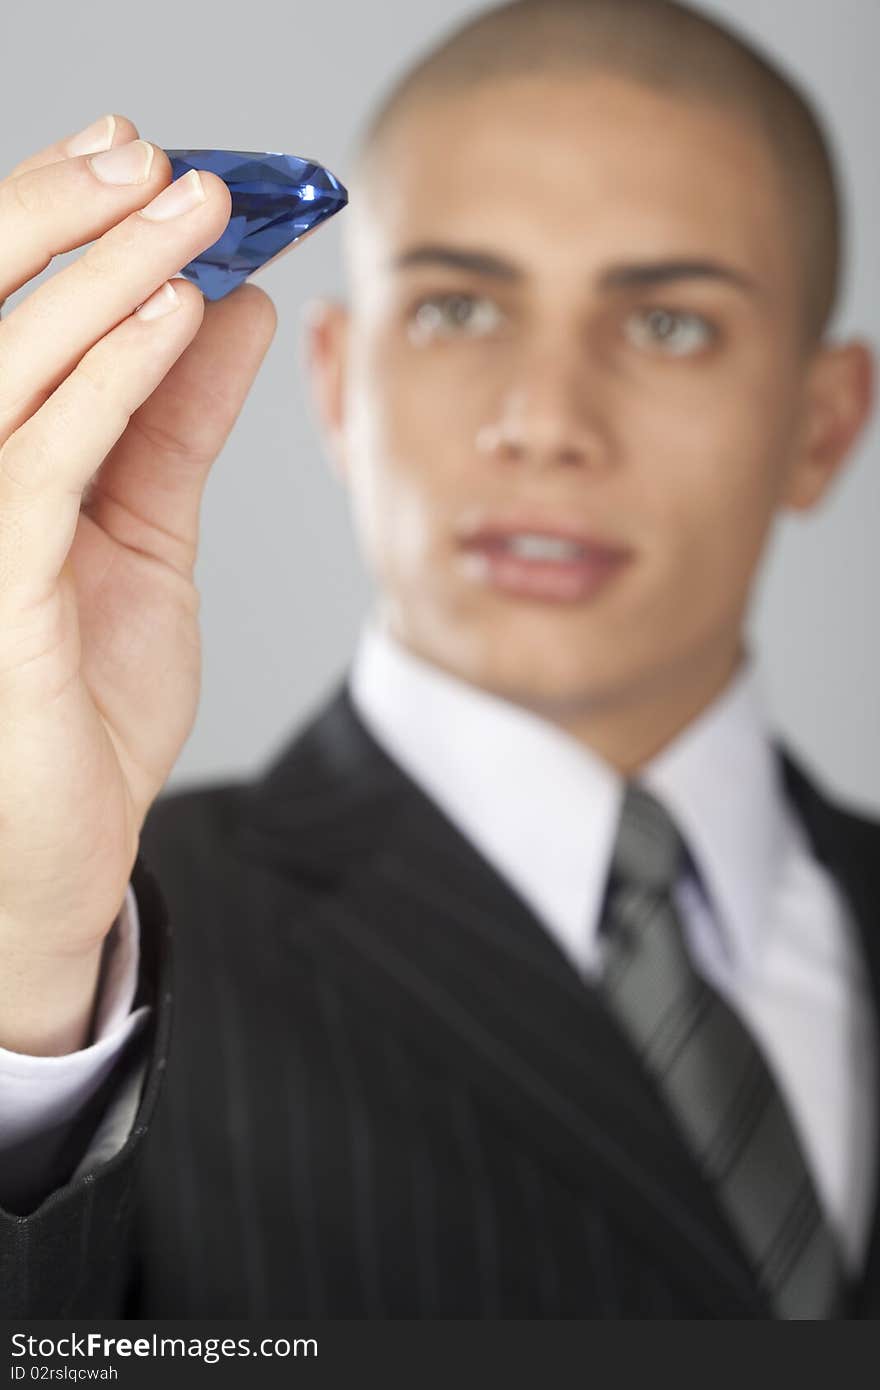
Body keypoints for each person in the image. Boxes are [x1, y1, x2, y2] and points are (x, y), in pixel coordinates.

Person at [0, 0, 876, 1320]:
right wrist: (19, 967)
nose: (545, 423)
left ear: (823, 423)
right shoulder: (86, 960)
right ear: (341, 385)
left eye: (671, 325)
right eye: (460, 307)